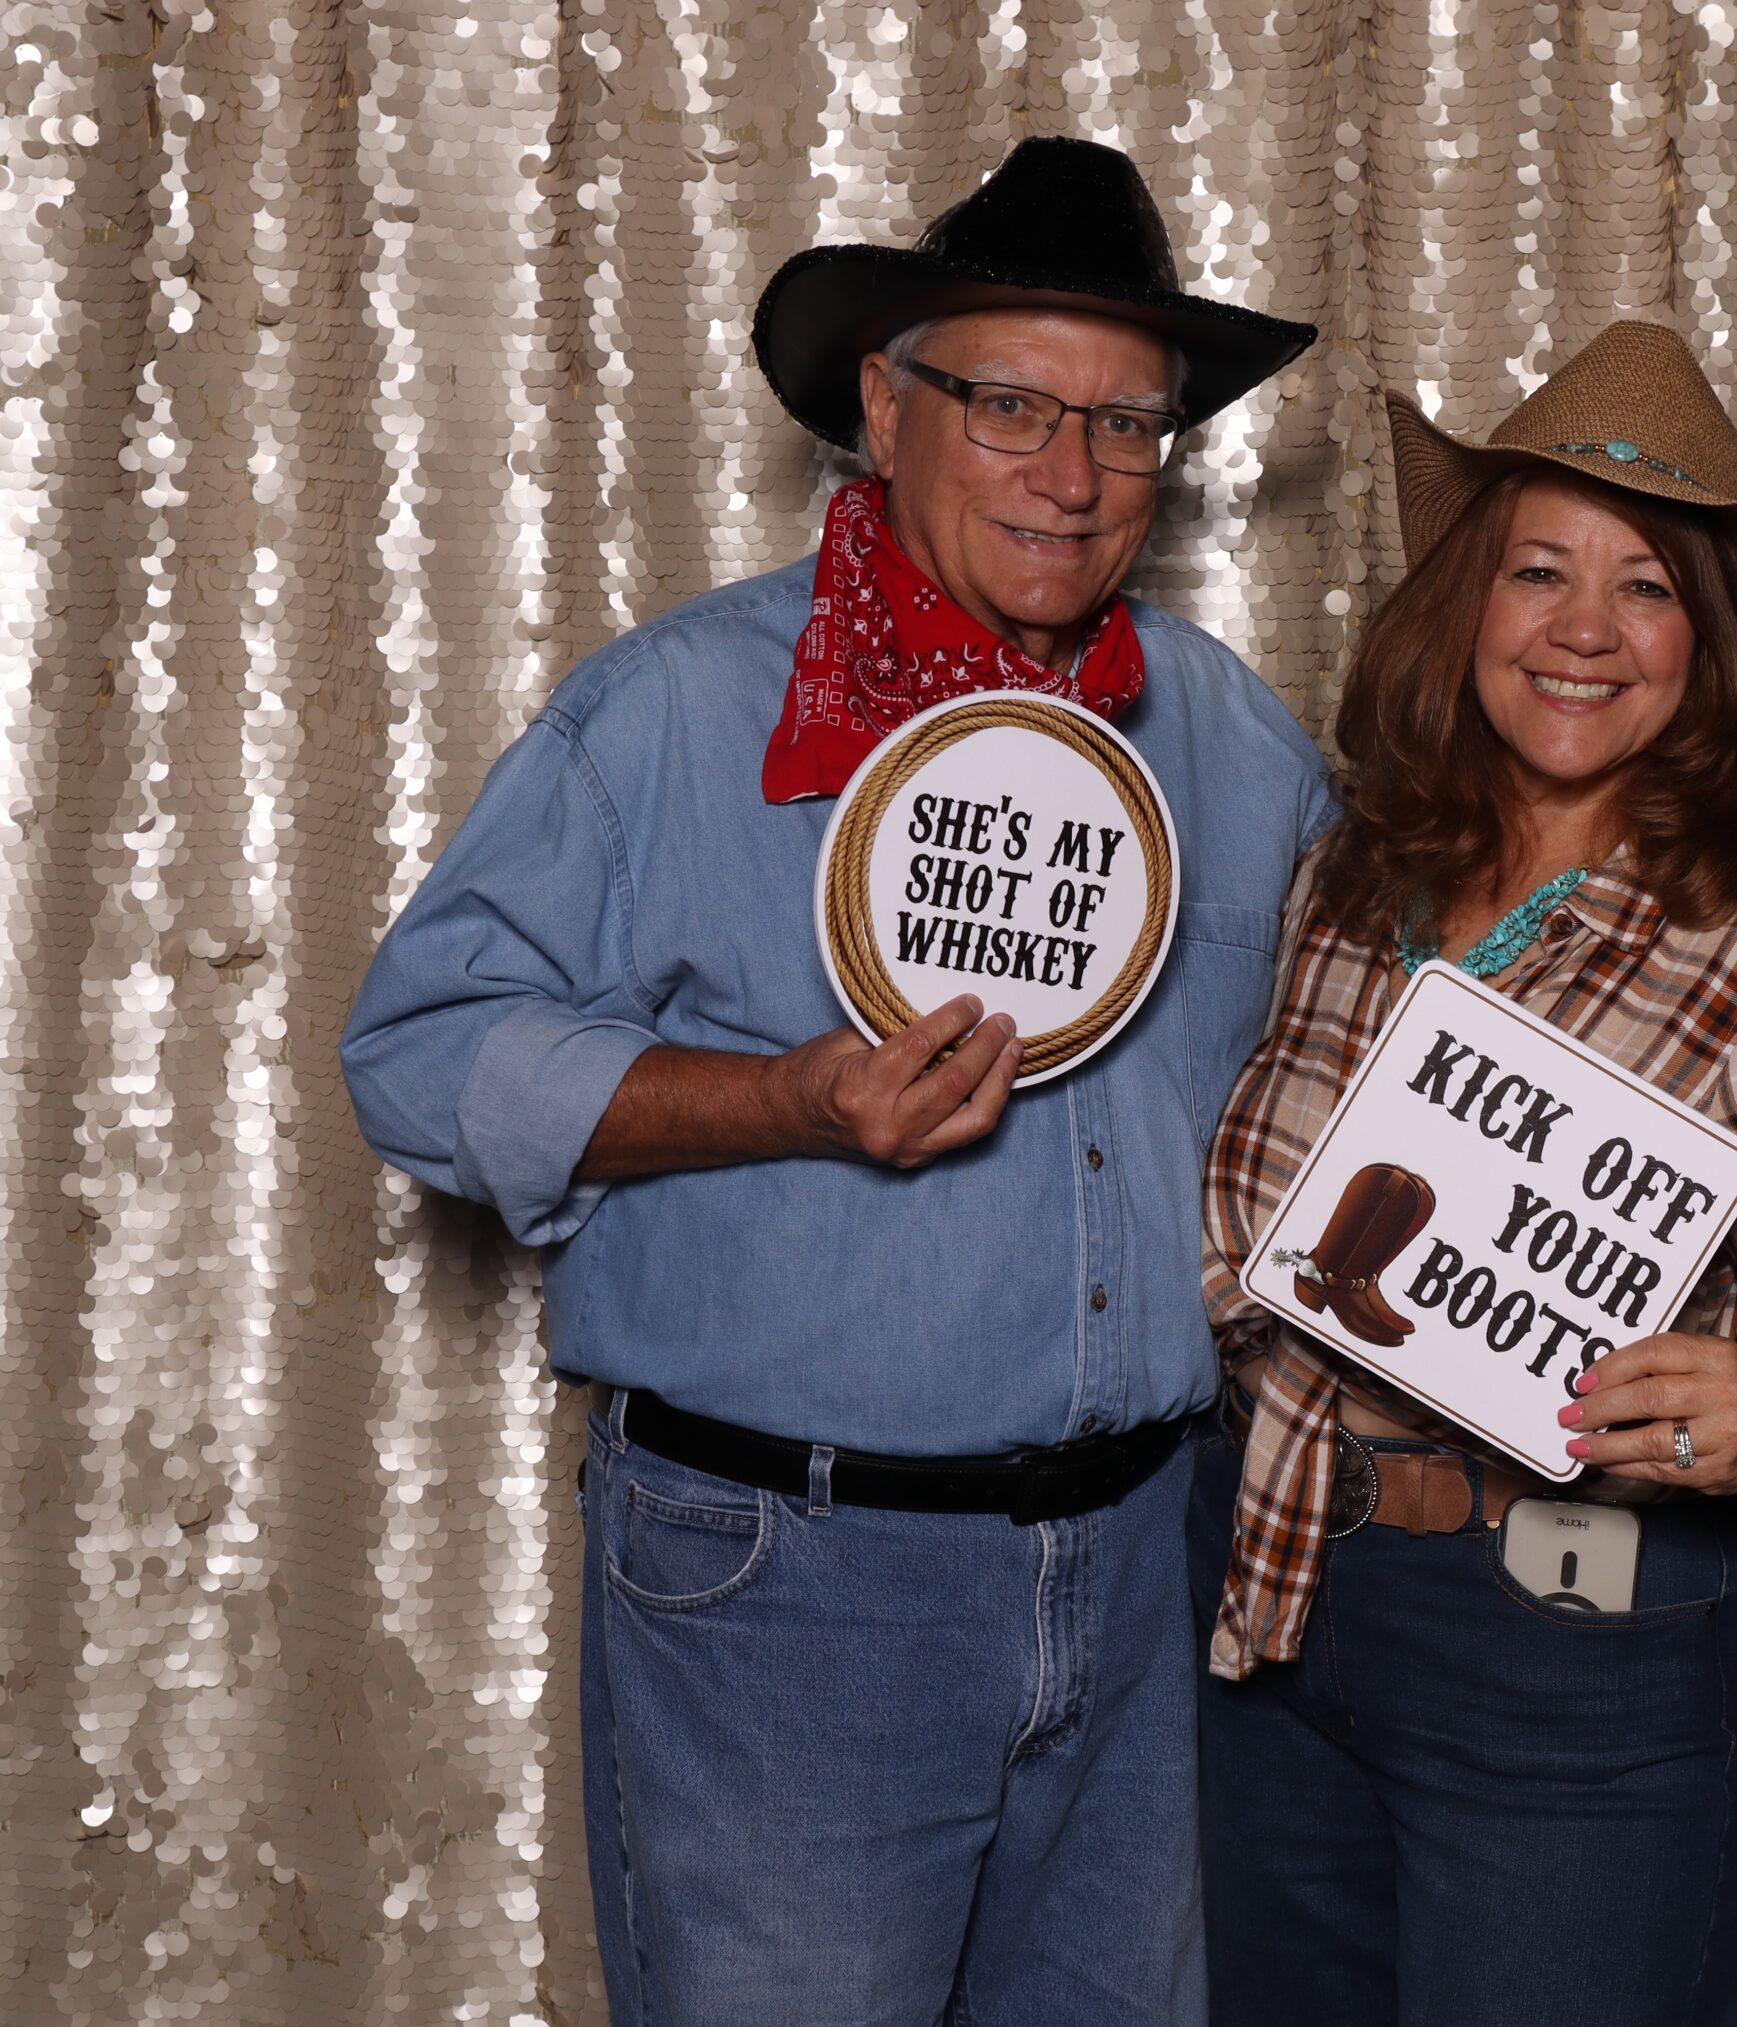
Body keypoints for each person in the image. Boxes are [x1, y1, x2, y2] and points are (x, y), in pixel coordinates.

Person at [339, 137, 1329, 2027]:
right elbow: (422, 1053)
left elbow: (1362, 1050)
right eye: (1014, 403)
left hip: (1139, 1579)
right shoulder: (679, 708)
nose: (1073, 473)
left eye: (1130, 426)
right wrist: (784, 1101)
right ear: (885, 405)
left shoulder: (1220, 730)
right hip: (793, 1588)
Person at [1192, 320, 1737, 2026]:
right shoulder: (1351, 865)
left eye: (1650, 588)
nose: (1584, 631)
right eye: (1540, 569)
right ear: (1466, 597)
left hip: (1572, 1642)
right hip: (1272, 1595)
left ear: (1714, 644)